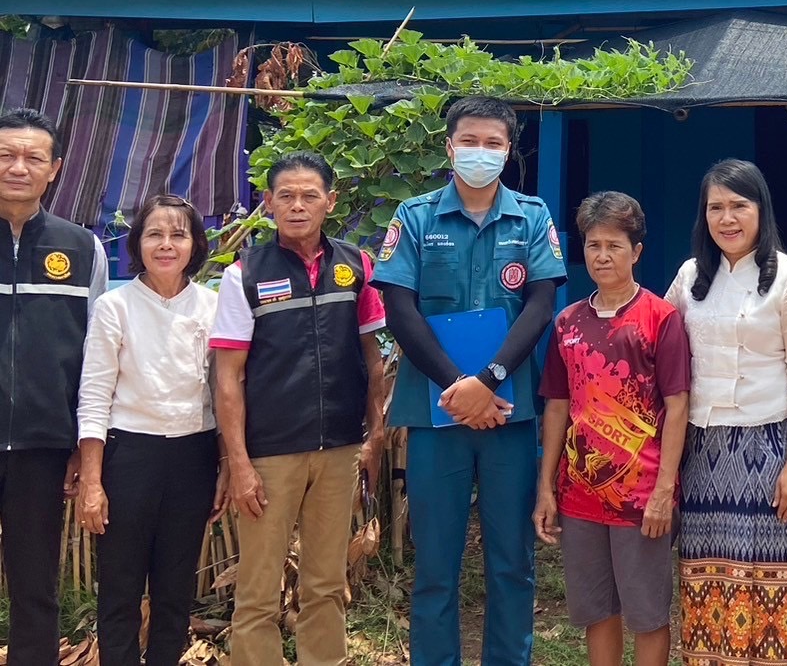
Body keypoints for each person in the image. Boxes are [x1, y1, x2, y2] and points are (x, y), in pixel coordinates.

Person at [376, 95, 566, 666]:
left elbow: (541, 303)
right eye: (469, 141)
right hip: (436, 414)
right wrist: (460, 386)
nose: (480, 152)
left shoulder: (531, 216)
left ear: (509, 152)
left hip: (509, 416)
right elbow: (397, 307)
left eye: (493, 143)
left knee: (512, 561)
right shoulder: (413, 217)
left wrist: (491, 379)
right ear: (449, 146)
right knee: (435, 564)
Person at [210, 152, 388, 666]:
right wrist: (239, 463)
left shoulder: (356, 266)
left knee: (327, 584)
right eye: (285, 195)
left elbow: (373, 360)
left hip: (339, 449)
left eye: (310, 195)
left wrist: (374, 436)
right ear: (267, 204)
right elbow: (228, 378)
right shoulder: (244, 274)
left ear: (330, 203)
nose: (297, 205)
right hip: (270, 454)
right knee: (259, 589)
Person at [664, 158, 787, 666]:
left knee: (769, 583)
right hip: (702, 451)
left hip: (769, 449)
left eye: (739, 205)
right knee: (706, 580)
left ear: (761, 210)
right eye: (716, 207)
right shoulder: (690, 278)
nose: (727, 218)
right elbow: (664, 354)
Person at [533, 191, 691, 666]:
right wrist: (546, 487)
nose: (602, 256)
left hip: (642, 497)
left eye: (614, 246)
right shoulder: (568, 323)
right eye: (593, 245)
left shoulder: (660, 320)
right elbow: (558, 407)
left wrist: (665, 489)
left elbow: (677, 405)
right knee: (596, 609)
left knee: (646, 613)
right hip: (580, 494)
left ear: (637, 251)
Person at [76, 193, 226, 666]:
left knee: (175, 585)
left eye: (178, 234)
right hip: (128, 456)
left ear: (195, 244)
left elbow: (225, 395)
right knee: (120, 585)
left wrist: (225, 465)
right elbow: (95, 395)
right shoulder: (113, 307)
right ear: (137, 243)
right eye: (154, 234)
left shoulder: (214, 305)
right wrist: (93, 481)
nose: (166, 245)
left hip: (193, 456)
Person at [0, 107, 108, 666]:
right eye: (6, 155)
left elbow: (96, 357)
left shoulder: (84, 248)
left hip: (44, 446)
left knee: (35, 584)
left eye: (32, 158)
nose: (18, 167)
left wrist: (81, 446)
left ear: (55, 168)